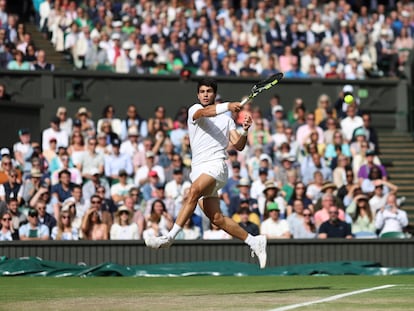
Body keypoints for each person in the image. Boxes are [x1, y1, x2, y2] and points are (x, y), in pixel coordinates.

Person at [145, 78, 267, 269]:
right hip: (198, 169)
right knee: (217, 219)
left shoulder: (226, 120)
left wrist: (244, 131)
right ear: (198, 94)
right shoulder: (195, 110)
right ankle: (254, 241)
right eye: (202, 91)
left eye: (209, 91)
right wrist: (228, 105)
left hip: (217, 166)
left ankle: (169, 237)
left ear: (214, 94)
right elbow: (206, 112)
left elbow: (239, 146)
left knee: (192, 192)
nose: (205, 94)